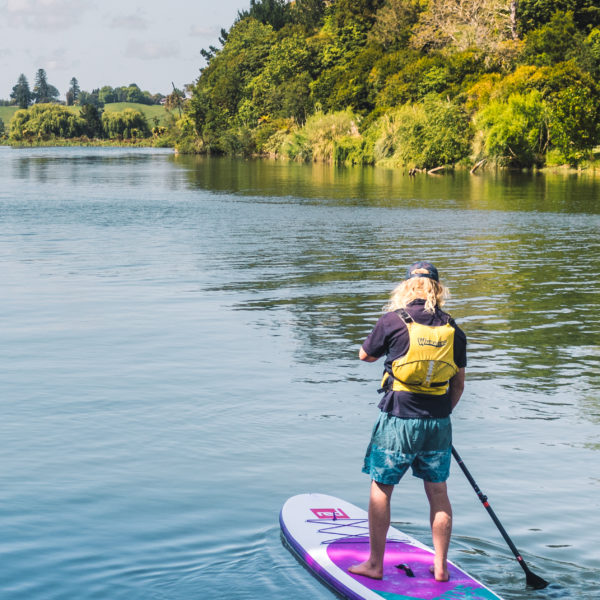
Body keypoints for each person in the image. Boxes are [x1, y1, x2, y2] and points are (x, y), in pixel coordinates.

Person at [349, 261, 467, 583]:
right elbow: (458, 384)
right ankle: (441, 567)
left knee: (381, 487)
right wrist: (442, 415)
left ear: (405, 289)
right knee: (438, 492)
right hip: (438, 423)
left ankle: (375, 564)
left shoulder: (393, 321)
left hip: (398, 420)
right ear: (438, 290)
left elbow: (364, 356)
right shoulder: (454, 330)